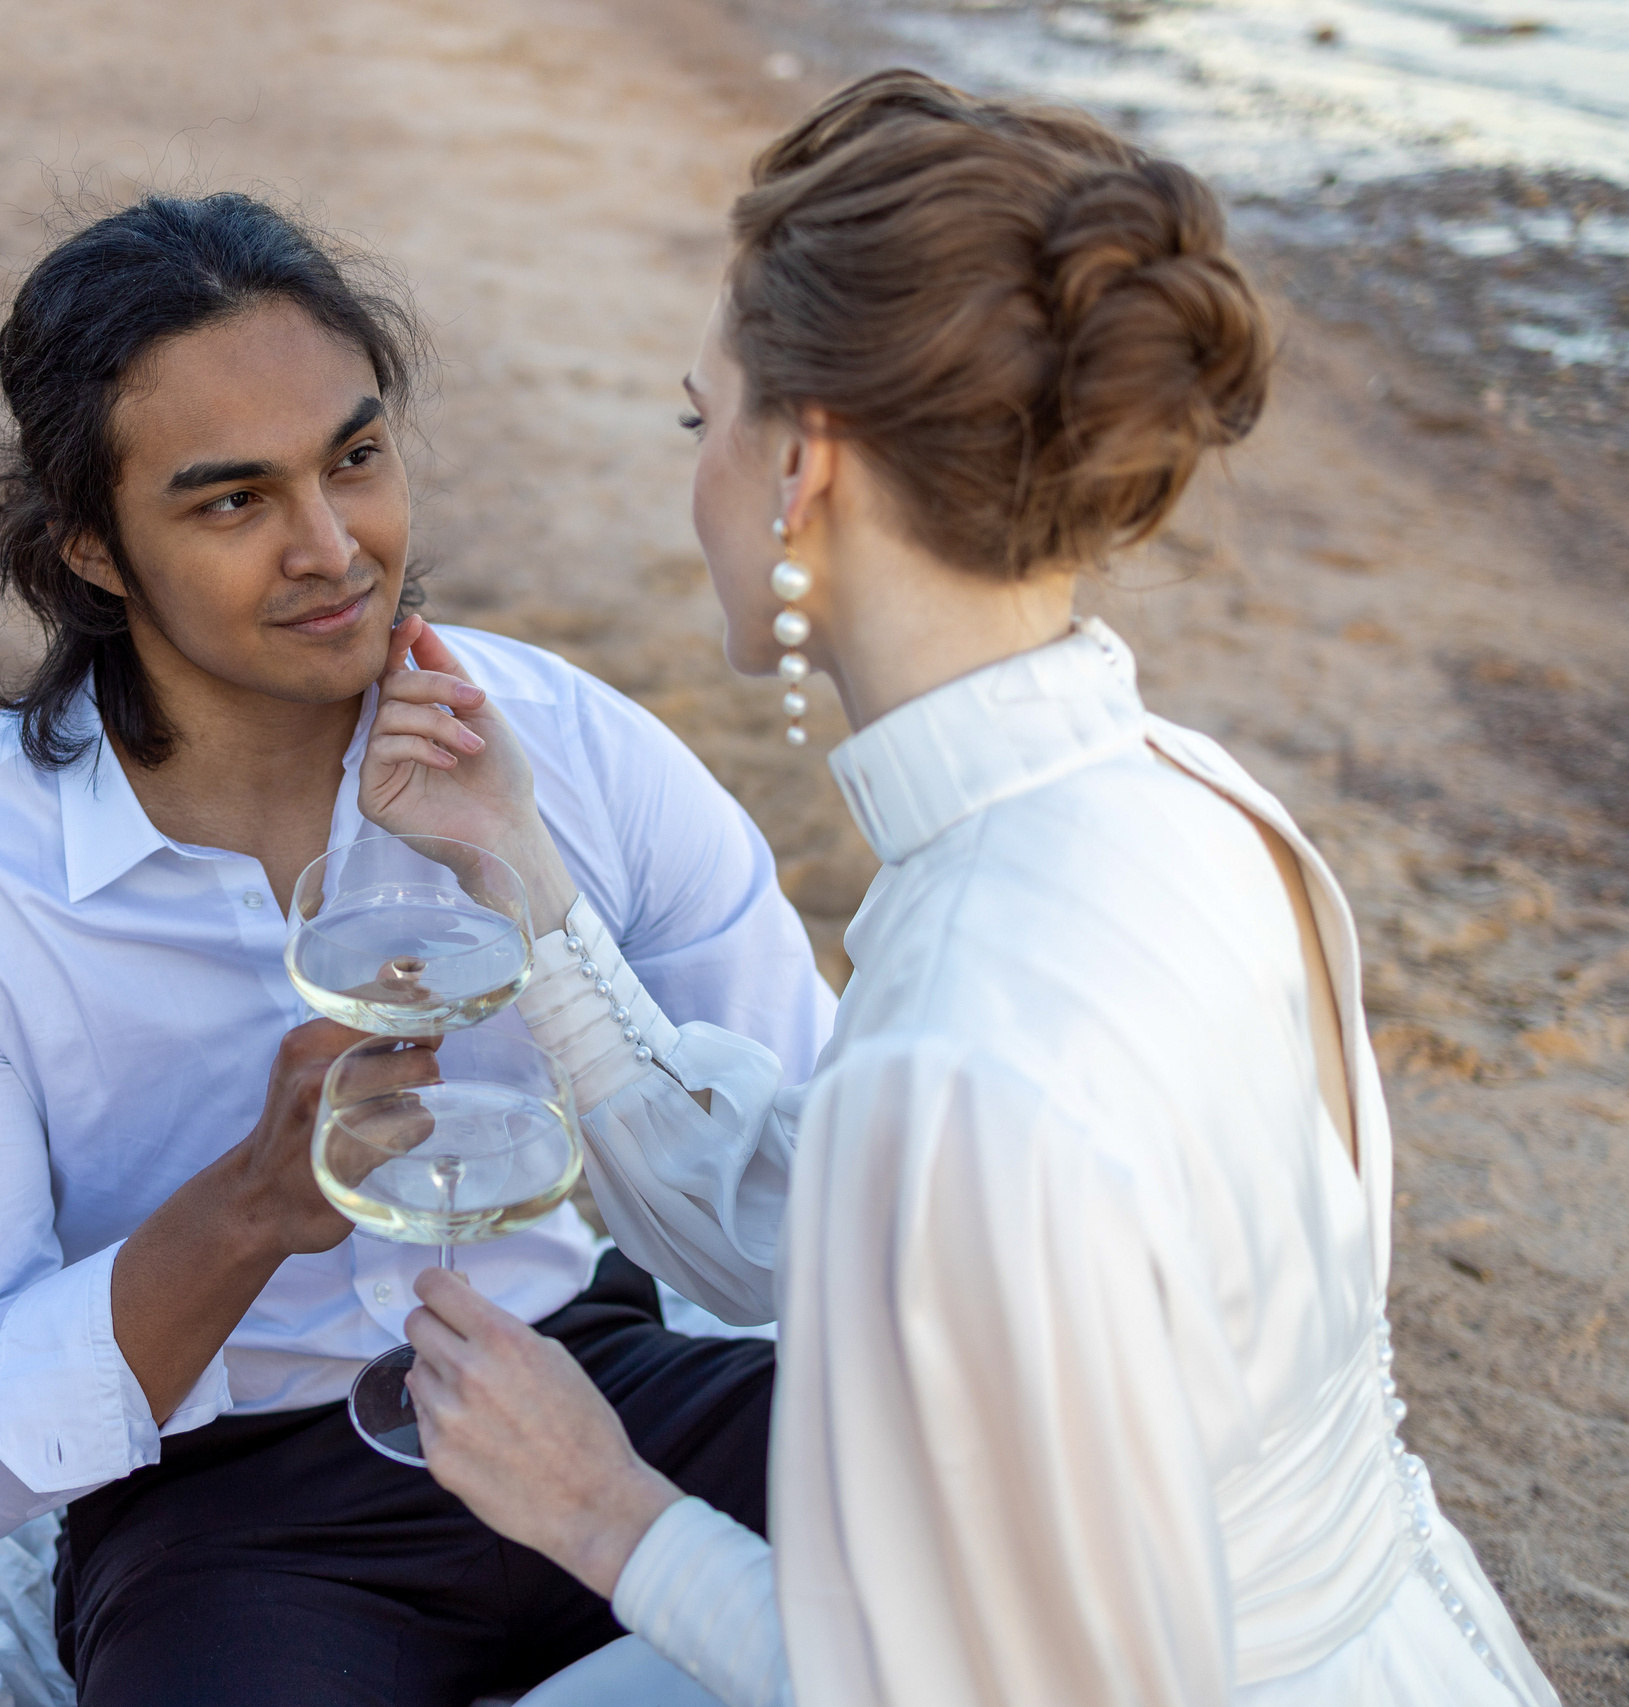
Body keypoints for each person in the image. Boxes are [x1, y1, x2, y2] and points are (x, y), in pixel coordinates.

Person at [366, 72, 1560, 1707]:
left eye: (703, 422)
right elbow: (807, 1224)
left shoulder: (966, 1039)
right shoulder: (1196, 802)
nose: (696, 475)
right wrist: (520, 861)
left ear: (803, 467)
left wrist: (602, 1509)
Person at [0, 192, 836, 1705]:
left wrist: (528, 882)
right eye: (234, 502)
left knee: (1031, 1529)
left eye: (355, 458)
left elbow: (828, 1197)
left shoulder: (566, 745)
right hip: (240, 1517)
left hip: (599, 1381)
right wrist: (246, 1209)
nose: (334, 550)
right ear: (90, 547)